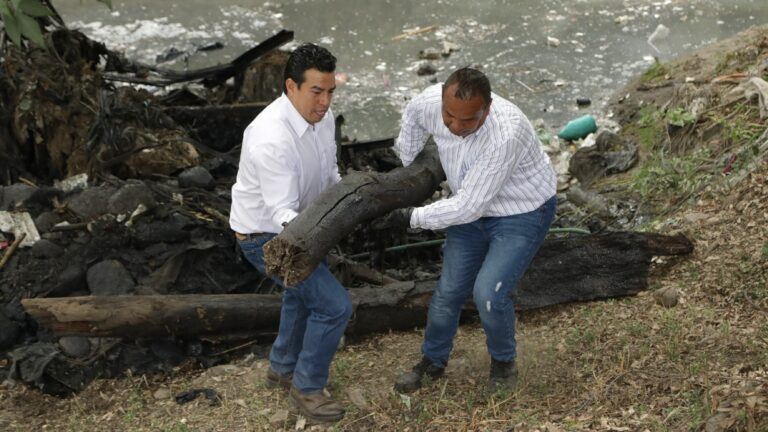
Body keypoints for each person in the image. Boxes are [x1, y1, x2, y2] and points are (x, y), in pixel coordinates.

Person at [387, 67, 557, 394]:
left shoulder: (507, 133)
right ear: (442, 100)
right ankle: (433, 361)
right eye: (449, 116)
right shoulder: (429, 103)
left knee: (488, 295)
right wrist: (409, 171)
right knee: (448, 292)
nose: (456, 126)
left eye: (469, 120)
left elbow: (468, 206)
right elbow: (411, 117)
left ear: (487, 109)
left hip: (521, 212)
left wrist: (410, 217)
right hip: (471, 206)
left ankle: (504, 364)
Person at [229, 43, 351, 422]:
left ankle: (282, 367)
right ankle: (308, 387)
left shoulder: (323, 117)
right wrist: (325, 234)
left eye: (330, 91)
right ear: (291, 86)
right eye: (316, 91)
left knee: (300, 297)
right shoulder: (270, 137)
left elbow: (331, 174)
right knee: (334, 306)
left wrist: (350, 202)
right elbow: (283, 215)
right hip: (265, 237)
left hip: (308, 223)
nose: (325, 101)